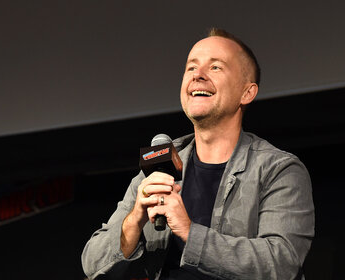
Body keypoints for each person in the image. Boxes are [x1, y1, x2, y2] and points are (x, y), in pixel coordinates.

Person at [81, 28, 315, 280]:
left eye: (215, 67)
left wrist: (190, 233)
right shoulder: (160, 165)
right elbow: (91, 263)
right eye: (191, 68)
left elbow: (281, 263)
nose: (198, 76)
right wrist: (134, 221)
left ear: (247, 92)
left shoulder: (278, 169)